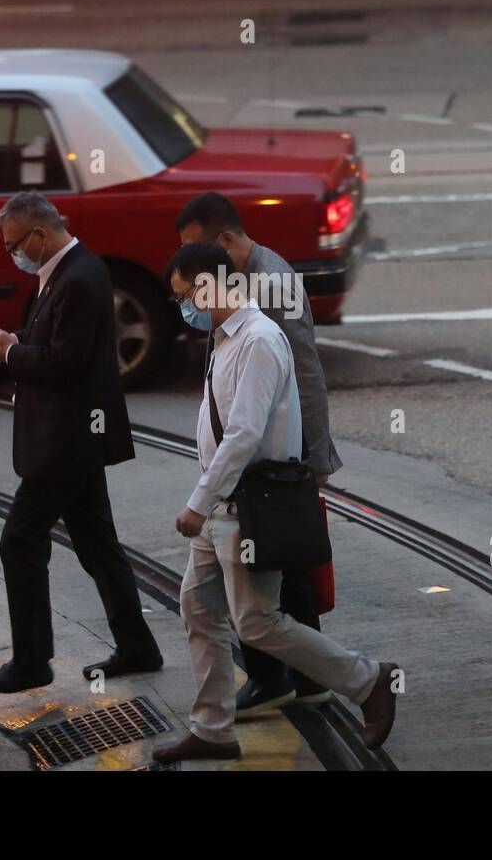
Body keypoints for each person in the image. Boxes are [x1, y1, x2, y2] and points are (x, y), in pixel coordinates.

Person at [153, 242, 399, 762]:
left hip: (248, 506)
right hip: (223, 505)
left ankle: (369, 678)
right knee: (199, 608)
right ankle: (212, 728)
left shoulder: (260, 339)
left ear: (209, 285)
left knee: (257, 621)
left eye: (184, 296)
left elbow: (244, 433)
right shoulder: (222, 339)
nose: (183, 309)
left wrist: (198, 502)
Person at [0, 192, 161, 692]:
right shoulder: (71, 273)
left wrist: (9, 355)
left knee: (20, 542)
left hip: (66, 442)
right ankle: (138, 646)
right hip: (76, 440)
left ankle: (31, 663)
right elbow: (52, 340)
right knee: (97, 546)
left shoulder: (78, 278)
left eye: (14, 246)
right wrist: (13, 338)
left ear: (40, 235)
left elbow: (64, 364)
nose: (13, 255)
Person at [176, 192, 339, 715]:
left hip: (274, 466)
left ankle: (306, 676)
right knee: (261, 573)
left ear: (224, 243)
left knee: (279, 567)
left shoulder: (270, 284)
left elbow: (305, 372)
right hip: (246, 473)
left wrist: (314, 460)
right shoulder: (241, 282)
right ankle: (279, 676)